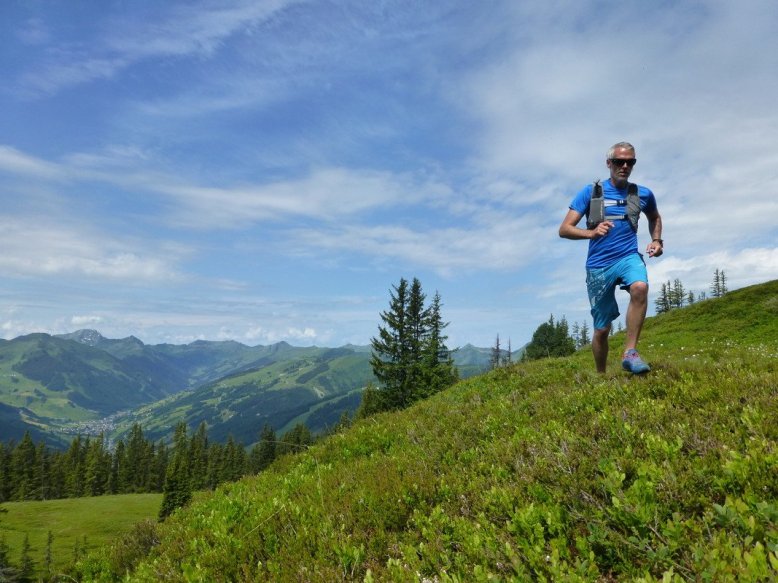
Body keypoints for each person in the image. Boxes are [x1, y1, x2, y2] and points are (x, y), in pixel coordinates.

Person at [558, 142, 663, 374]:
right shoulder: (590, 193)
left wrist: (657, 241)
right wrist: (591, 232)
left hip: (628, 256)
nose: (624, 166)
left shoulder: (642, 193)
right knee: (602, 330)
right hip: (598, 266)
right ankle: (601, 374)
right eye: (619, 161)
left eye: (630, 162)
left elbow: (654, 217)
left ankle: (630, 352)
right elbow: (564, 229)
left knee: (640, 287)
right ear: (609, 163)